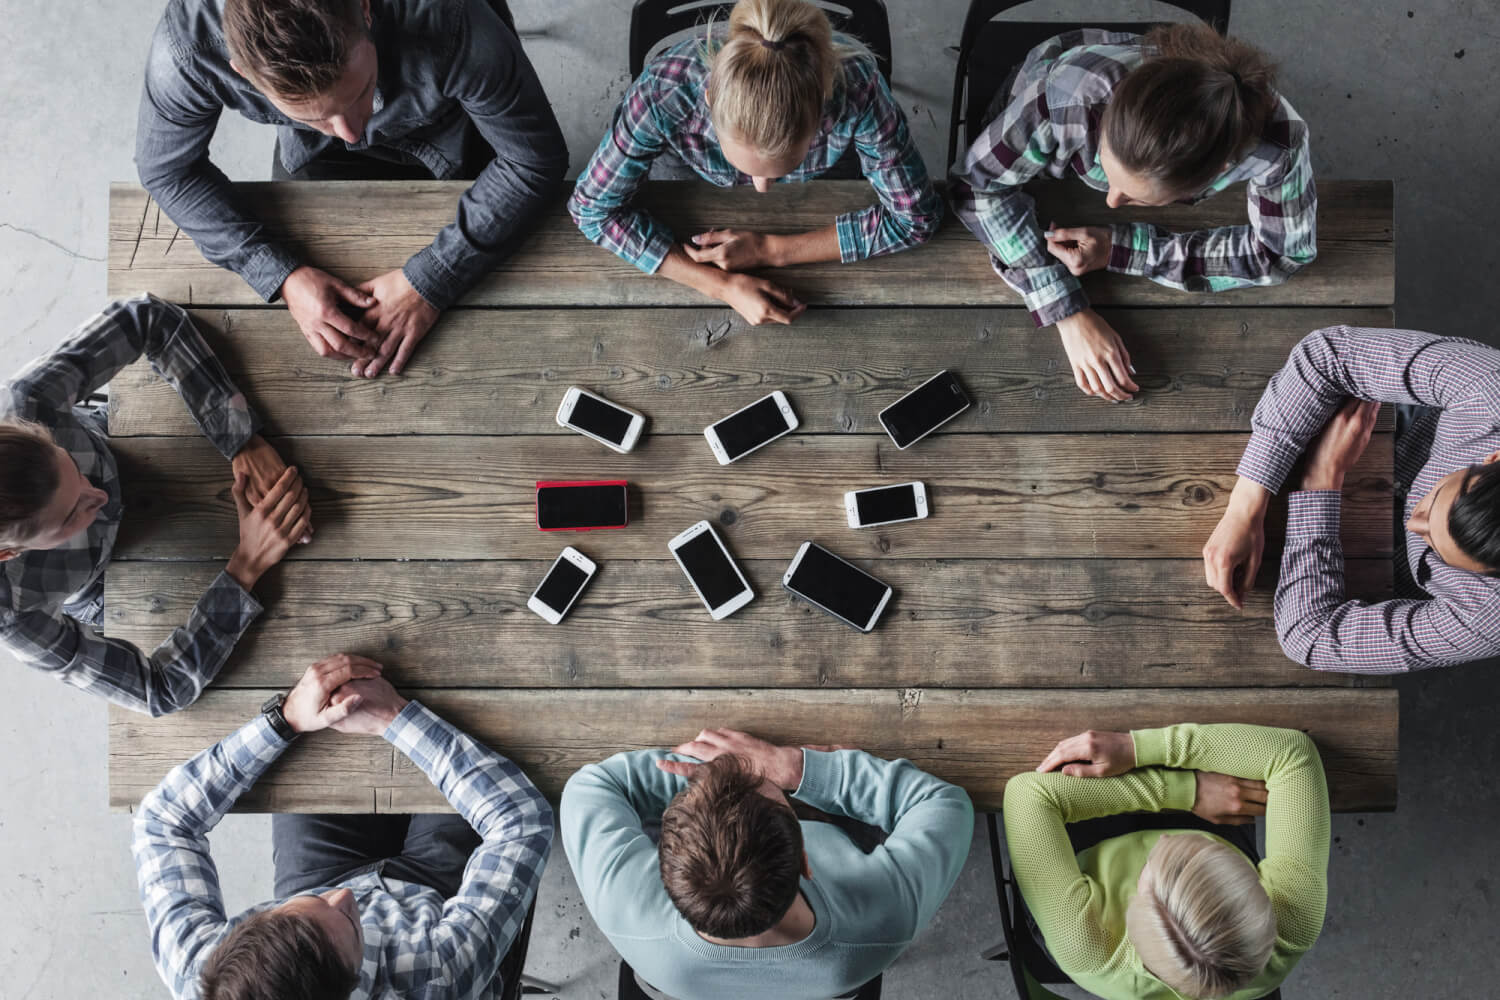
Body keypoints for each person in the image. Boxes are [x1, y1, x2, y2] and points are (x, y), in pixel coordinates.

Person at [137, 0, 569, 377]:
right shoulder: (186, 49)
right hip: (309, 155)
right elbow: (167, 171)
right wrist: (281, 274)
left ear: (364, 7)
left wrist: (433, 278)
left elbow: (534, 158)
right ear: (242, 71)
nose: (351, 133)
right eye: (316, 115)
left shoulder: (453, 18)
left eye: (360, 92)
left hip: (454, 127)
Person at [133, 653, 554, 1000]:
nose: (345, 896)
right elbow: (522, 820)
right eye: (353, 927)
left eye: (285, 912)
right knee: (491, 727)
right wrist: (394, 717)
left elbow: (163, 820)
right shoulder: (437, 976)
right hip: (441, 901)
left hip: (316, 871)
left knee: (332, 705)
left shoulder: (202, 973)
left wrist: (284, 721)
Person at [950, 25, 1316, 402]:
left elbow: (1281, 254)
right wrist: (1066, 310)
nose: (1111, 202)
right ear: (1105, 118)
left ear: (1218, 172)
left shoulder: (1278, 147)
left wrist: (1120, 249)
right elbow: (976, 187)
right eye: (1107, 172)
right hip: (1043, 98)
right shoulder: (1067, 96)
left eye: (1138, 198)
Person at [0, 294, 310, 716]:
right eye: (71, 514)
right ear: (9, 553)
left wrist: (240, 435)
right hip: (104, 583)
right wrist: (246, 566)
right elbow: (159, 690)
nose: (100, 496)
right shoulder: (12, 615)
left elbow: (145, 318)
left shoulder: (25, 402)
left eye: (69, 462)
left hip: (126, 444)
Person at [568, 0, 942, 328]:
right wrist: (720, 285)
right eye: (751, 167)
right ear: (710, 100)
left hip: (826, 181)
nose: (762, 189)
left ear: (822, 111)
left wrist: (771, 251)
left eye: (781, 167)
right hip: (687, 173)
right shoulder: (663, 92)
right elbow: (591, 210)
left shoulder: (857, 88)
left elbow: (916, 217)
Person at [561, 727, 973, 1000]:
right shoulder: (881, 923)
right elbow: (943, 804)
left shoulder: (623, 907)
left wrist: (711, 774)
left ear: (664, 876)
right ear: (807, 863)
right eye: (773, 791)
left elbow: (591, 786)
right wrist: (796, 771)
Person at [1203, 326, 1500, 672]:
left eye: (1434, 543)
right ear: (1493, 458)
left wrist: (1322, 478)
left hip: (1379, 574)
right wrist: (1245, 506)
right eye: (1432, 503)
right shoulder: (1490, 389)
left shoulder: (1490, 614)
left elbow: (1310, 638)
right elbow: (1327, 355)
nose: (1413, 523)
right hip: (1399, 436)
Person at [1004, 723, 1328, 1000]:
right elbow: (1292, 754)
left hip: (1087, 861)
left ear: (1131, 910)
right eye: (1201, 849)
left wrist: (1185, 791)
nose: (1165, 839)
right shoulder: (1293, 921)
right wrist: (1144, 754)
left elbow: (1028, 794)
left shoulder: (1087, 944)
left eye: (1150, 865)